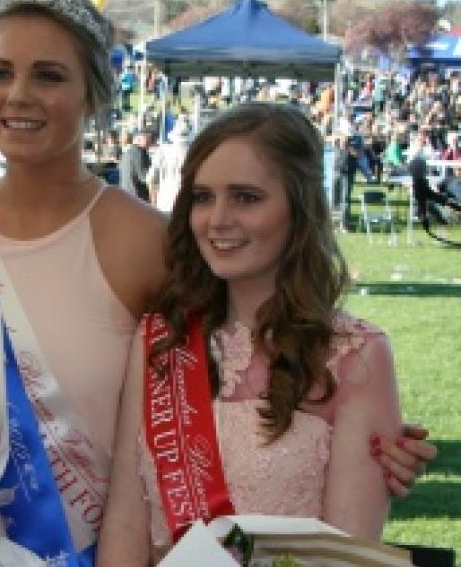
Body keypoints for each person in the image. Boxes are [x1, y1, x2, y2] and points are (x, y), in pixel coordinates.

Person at [0, 0, 435, 564]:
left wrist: (376, 435)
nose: (18, 95)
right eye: (0, 72)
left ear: (95, 93)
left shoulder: (151, 243)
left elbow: (251, 369)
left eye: (48, 75)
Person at [98, 103, 412, 564]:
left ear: (299, 207)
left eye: (245, 197)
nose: (218, 219)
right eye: (203, 197)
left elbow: (345, 556)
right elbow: (126, 517)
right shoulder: (162, 338)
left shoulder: (356, 356)